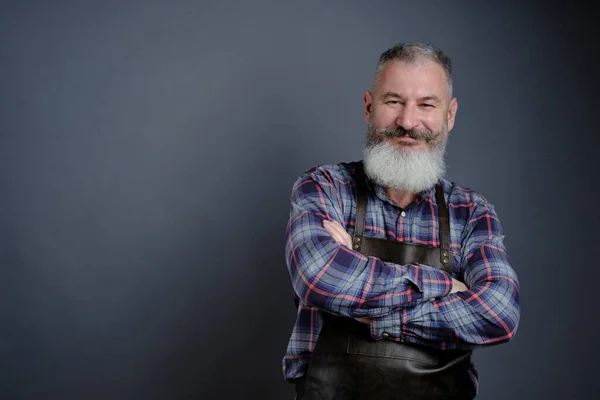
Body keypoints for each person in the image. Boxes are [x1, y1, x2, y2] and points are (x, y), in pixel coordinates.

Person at [282, 42, 521, 399]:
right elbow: (319, 276)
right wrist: (447, 286)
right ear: (368, 107)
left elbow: (499, 312)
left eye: (426, 104)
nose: (408, 122)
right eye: (393, 102)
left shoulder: (471, 212)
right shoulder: (324, 187)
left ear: (449, 115)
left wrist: (370, 308)